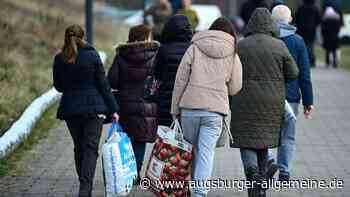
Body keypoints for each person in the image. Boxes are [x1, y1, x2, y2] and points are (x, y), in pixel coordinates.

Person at [229, 8, 299, 197]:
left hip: (243, 99)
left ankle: (252, 172)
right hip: (272, 100)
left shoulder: (241, 46)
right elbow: (293, 73)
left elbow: (230, 73)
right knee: (263, 141)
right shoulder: (279, 46)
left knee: (246, 140)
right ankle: (260, 182)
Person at [171, 17, 243, 197]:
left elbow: (180, 80)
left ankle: (184, 188)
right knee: (205, 153)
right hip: (215, 112)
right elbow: (235, 87)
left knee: (189, 151)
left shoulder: (194, 47)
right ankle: (199, 192)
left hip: (190, 108)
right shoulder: (233, 52)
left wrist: (175, 109)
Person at [53, 24, 119, 197]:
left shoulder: (60, 58)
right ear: (83, 37)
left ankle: (84, 183)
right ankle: (85, 188)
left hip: (71, 110)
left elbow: (58, 86)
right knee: (90, 148)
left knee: (79, 148)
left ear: (66, 37)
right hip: (94, 110)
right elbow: (103, 85)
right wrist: (113, 109)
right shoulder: (92, 55)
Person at [107, 25, 160, 182]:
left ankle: (125, 170)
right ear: (146, 37)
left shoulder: (121, 55)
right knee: (140, 140)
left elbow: (112, 81)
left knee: (126, 138)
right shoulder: (155, 55)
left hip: (125, 103)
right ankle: (135, 172)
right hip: (146, 104)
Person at [271, 5, 314, 181]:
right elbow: (304, 74)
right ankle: (284, 171)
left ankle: (267, 163)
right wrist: (308, 101)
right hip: (292, 97)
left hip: (269, 95)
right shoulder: (298, 41)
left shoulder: (267, 38)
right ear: (289, 20)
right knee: (288, 136)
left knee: (266, 133)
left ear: (272, 21)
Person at [155, 14, 193, 127]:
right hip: (186, 102)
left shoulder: (163, 50)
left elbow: (158, 75)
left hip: (166, 102)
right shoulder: (193, 49)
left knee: (166, 139)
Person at [295, 0, 321, 67]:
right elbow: (318, 20)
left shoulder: (301, 8)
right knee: (311, 46)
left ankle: (304, 61)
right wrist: (313, 25)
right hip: (312, 31)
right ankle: (311, 61)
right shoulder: (315, 8)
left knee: (303, 47)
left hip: (302, 31)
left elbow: (297, 19)